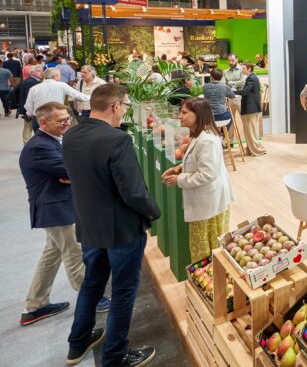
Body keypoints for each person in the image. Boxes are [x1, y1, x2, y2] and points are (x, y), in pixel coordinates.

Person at [64, 84, 160, 367]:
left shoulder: (70, 135)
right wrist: (153, 212)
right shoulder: (117, 140)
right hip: (121, 230)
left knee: (92, 284)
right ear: (116, 106)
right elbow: (132, 191)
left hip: (89, 226)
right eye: (126, 106)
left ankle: (77, 342)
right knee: (123, 292)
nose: (125, 112)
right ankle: (115, 357)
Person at [19, 102, 110, 327]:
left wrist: (73, 174)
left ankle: (35, 305)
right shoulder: (39, 146)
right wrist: (76, 173)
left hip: (58, 207)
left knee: (51, 256)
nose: (66, 123)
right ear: (43, 122)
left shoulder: (50, 142)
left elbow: (70, 170)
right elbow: (72, 170)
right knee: (74, 254)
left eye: (67, 118)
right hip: (57, 210)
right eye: (60, 120)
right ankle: (92, 298)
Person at [161, 98, 234, 261]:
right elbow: (198, 161)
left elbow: (208, 174)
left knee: (208, 249)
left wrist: (179, 179)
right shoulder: (198, 135)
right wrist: (180, 167)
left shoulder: (206, 140)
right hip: (208, 201)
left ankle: (212, 282)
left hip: (210, 203)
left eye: (184, 113)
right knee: (205, 247)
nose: (180, 116)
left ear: (198, 114)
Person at [24, 67, 89, 132]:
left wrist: (29, 114)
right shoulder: (62, 85)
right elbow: (77, 95)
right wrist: (92, 97)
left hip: (39, 118)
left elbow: (28, 105)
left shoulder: (34, 88)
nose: (60, 77)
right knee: (57, 137)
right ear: (56, 76)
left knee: (41, 138)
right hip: (56, 117)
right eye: (60, 75)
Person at [240, 63, 266, 156]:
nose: (242, 70)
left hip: (250, 108)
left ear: (249, 69)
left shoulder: (251, 78)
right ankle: (251, 149)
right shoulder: (253, 77)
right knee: (252, 130)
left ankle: (257, 150)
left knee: (251, 131)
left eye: (243, 68)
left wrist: (233, 91)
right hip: (252, 108)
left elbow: (244, 92)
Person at [16, 65, 43, 143]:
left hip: (30, 110)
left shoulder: (31, 81)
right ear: (31, 72)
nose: (41, 72)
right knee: (29, 127)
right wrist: (30, 111)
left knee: (28, 127)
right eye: (38, 70)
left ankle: (27, 144)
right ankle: (27, 145)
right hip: (30, 110)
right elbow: (30, 98)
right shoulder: (31, 82)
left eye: (41, 70)